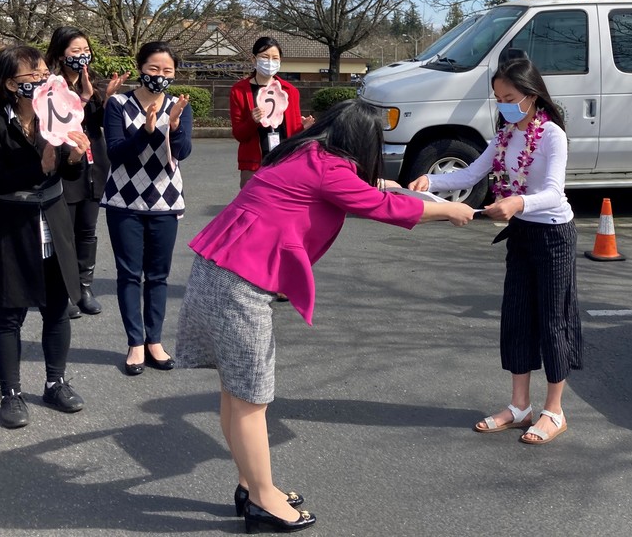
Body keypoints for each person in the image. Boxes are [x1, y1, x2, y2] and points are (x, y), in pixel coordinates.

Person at [175, 99, 474, 532]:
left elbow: (367, 192)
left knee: (237, 392)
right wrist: (449, 209)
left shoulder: (307, 154)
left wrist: (384, 185)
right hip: (238, 284)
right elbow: (381, 207)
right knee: (251, 398)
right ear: (362, 141)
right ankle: (261, 500)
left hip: (222, 271)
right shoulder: (329, 170)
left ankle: (254, 484)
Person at [409, 57, 581, 445]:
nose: (503, 104)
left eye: (510, 97)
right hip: (522, 235)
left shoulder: (552, 135)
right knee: (517, 317)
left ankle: (554, 411)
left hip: (554, 235)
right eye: (498, 98)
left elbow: (554, 193)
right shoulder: (504, 135)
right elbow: (471, 174)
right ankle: (520, 407)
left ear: (532, 96)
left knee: (552, 321)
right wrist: (430, 180)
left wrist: (517, 203)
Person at [0, 46, 91, 429]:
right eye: (31, 76)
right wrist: (40, 165)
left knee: (57, 309)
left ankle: (55, 382)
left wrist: (73, 157)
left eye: (44, 73)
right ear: (10, 84)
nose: (42, 80)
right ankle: (10, 392)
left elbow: (70, 179)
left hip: (54, 223)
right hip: (10, 225)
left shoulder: (57, 115)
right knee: (9, 314)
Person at [101, 41, 192, 376]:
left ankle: (155, 340)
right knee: (129, 274)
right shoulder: (118, 104)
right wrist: (147, 131)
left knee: (158, 276)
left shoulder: (179, 105)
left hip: (165, 201)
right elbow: (116, 153)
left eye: (167, 70)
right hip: (124, 201)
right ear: (141, 68)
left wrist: (176, 125)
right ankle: (135, 343)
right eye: (154, 69)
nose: (160, 76)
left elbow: (182, 152)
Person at [45, 26, 130, 318]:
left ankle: (84, 287)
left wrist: (105, 100)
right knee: (64, 232)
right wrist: (82, 97)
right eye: (75, 51)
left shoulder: (90, 81)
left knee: (87, 230)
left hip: (94, 166)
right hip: (67, 164)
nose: (82, 56)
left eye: (85, 51)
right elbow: (59, 125)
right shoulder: (51, 85)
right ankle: (63, 290)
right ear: (59, 54)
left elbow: (97, 125)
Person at [230, 36, 314, 189]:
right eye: (264, 57)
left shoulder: (290, 91)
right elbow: (239, 134)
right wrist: (252, 121)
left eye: (275, 58)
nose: (270, 62)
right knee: (253, 206)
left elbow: (294, 135)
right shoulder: (239, 91)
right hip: (254, 164)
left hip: (285, 163)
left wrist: (304, 129)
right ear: (254, 60)